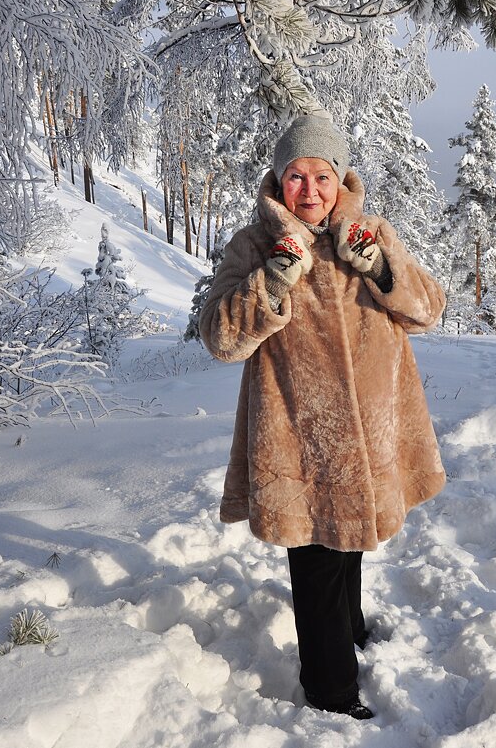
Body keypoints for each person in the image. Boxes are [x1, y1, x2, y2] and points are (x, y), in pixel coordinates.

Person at [199, 109, 447, 719]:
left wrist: (383, 269)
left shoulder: (369, 233)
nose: (309, 190)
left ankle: (353, 627)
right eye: (296, 177)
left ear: (340, 180)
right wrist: (271, 283)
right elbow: (219, 336)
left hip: (371, 427)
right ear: (278, 182)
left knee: (351, 539)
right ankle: (331, 692)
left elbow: (429, 309)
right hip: (297, 439)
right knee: (316, 558)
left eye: (321, 176)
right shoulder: (255, 246)